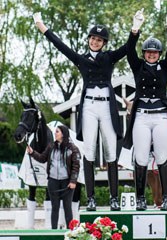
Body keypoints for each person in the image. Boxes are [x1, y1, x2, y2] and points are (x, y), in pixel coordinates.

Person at [33, 12, 127, 211]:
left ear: (104, 43)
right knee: (89, 152)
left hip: (107, 106)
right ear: (89, 40)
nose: (95, 41)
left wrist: (135, 29)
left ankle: (113, 198)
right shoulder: (81, 59)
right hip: (90, 107)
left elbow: (127, 48)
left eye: (99, 39)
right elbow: (60, 45)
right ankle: (91, 198)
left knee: (111, 152)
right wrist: (42, 26)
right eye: (93, 38)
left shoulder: (109, 58)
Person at [123, 9, 167, 211]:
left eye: (155, 52)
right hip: (141, 117)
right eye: (148, 52)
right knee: (141, 157)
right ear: (144, 53)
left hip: (161, 116)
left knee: (163, 157)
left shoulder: (165, 67)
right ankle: (140, 199)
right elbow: (129, 50)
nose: (152, 55)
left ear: (159, 54)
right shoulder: (137, 66)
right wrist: (135, 29)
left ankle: (166, 199)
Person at [26, 125, 80, 229]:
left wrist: (73, 181)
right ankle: (54, 232)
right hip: (53, 182)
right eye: (55, 131)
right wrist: (32, 152)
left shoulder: (73, 149)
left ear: (63, 134)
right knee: (54, 208)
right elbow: (42, 158)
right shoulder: (51, 147)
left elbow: (76, 166)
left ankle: (70, 232)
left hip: (67, 183)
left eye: (57, 132)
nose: (55, 133)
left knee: (67, 208)